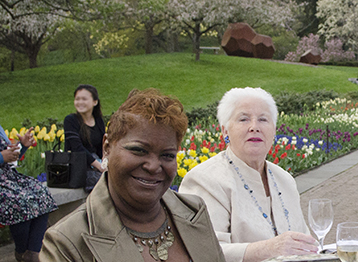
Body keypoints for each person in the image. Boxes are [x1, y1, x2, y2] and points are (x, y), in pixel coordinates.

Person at [41, 89, 226, 261]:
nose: (153, 166)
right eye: (138, 150)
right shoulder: (66, 242)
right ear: (107, 147)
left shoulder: (194, 211)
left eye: (167, 155)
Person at [180, 87, 316, 262]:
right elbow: (203, 252)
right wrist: (268, 249)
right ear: (225, 131)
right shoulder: (204, 180)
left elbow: (305, 243)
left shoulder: (284, 179)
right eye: (243, 119)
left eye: (263, 119)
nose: (254, 127)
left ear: (274, 131)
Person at [1, 125, 56, 262]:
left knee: (40, 192)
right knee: (19, 201)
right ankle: (22, 252)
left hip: (8, 178)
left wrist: (22, 146)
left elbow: (10, 156)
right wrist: (1, 158)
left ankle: (33, 253)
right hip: (3, 185)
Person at [63, 84, 106, 191]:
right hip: (78, 167)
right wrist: (99, 166)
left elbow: (103, 146)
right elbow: (77, 148)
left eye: (84, 99)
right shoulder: (70, 120)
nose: (80, 102)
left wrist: (105, 163)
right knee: (106, 184)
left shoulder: (98, 120)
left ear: (95, 102)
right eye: (77, 99)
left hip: (97, 164)